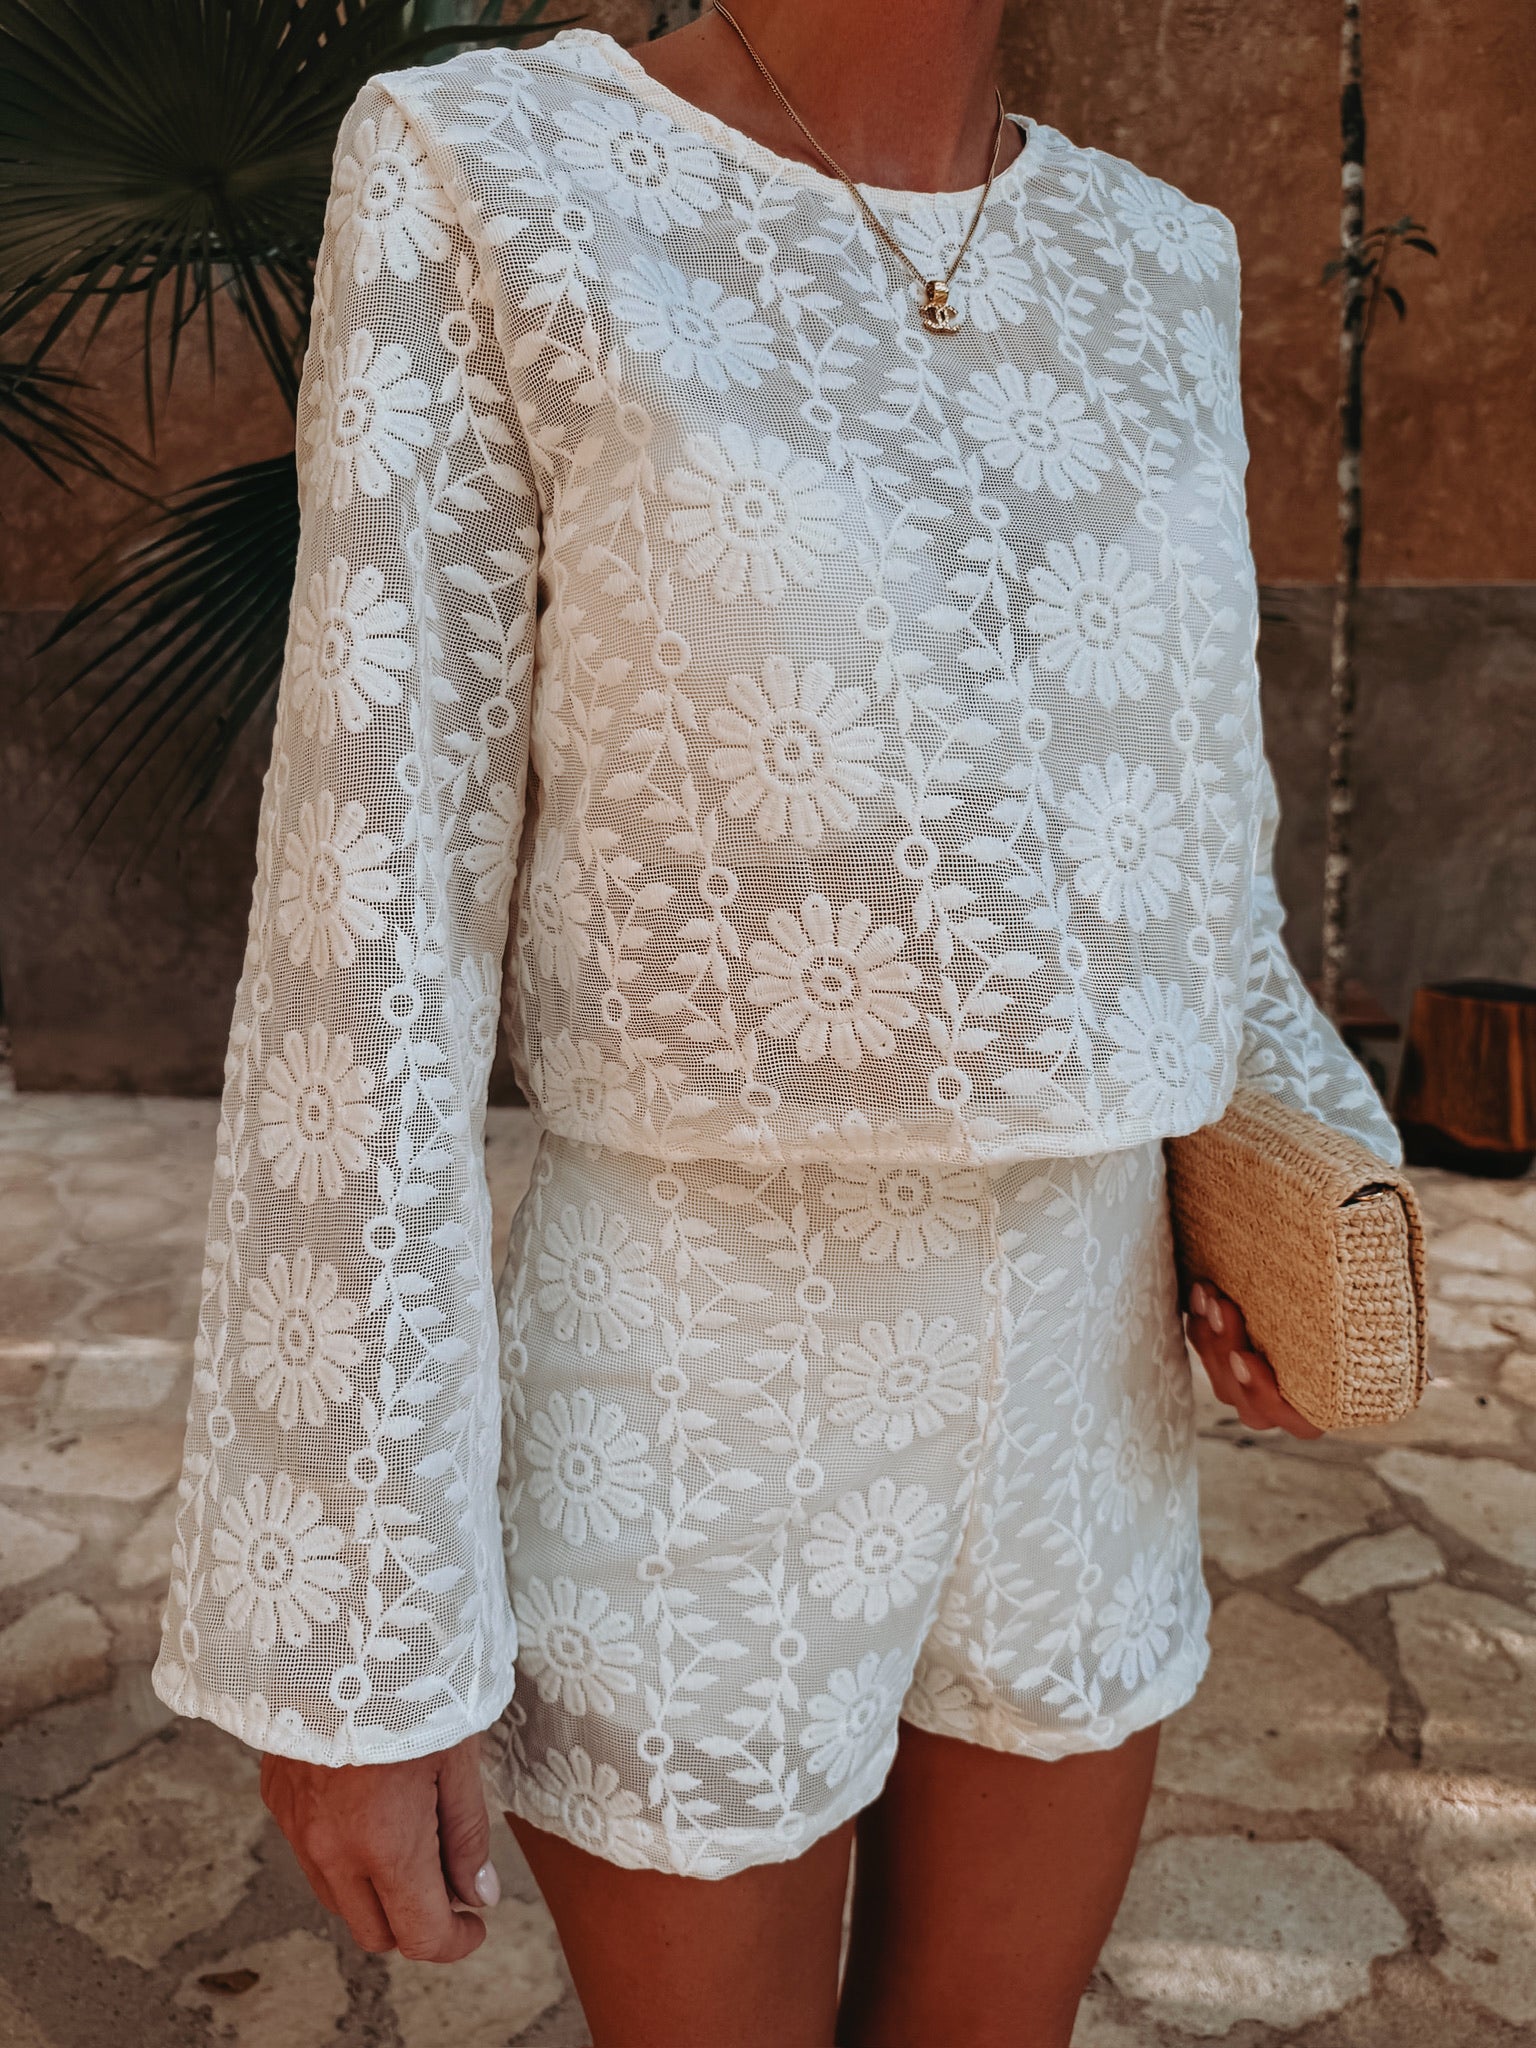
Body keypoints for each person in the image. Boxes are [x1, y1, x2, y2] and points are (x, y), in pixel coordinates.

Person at [151, 5, 1403, 2042]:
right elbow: (366, 927)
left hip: (1087, 1387)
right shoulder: (497, 174)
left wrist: (1316, 1215)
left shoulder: (1159, 257)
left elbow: (1203, 863)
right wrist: (351, 1629)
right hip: (707, 1379)